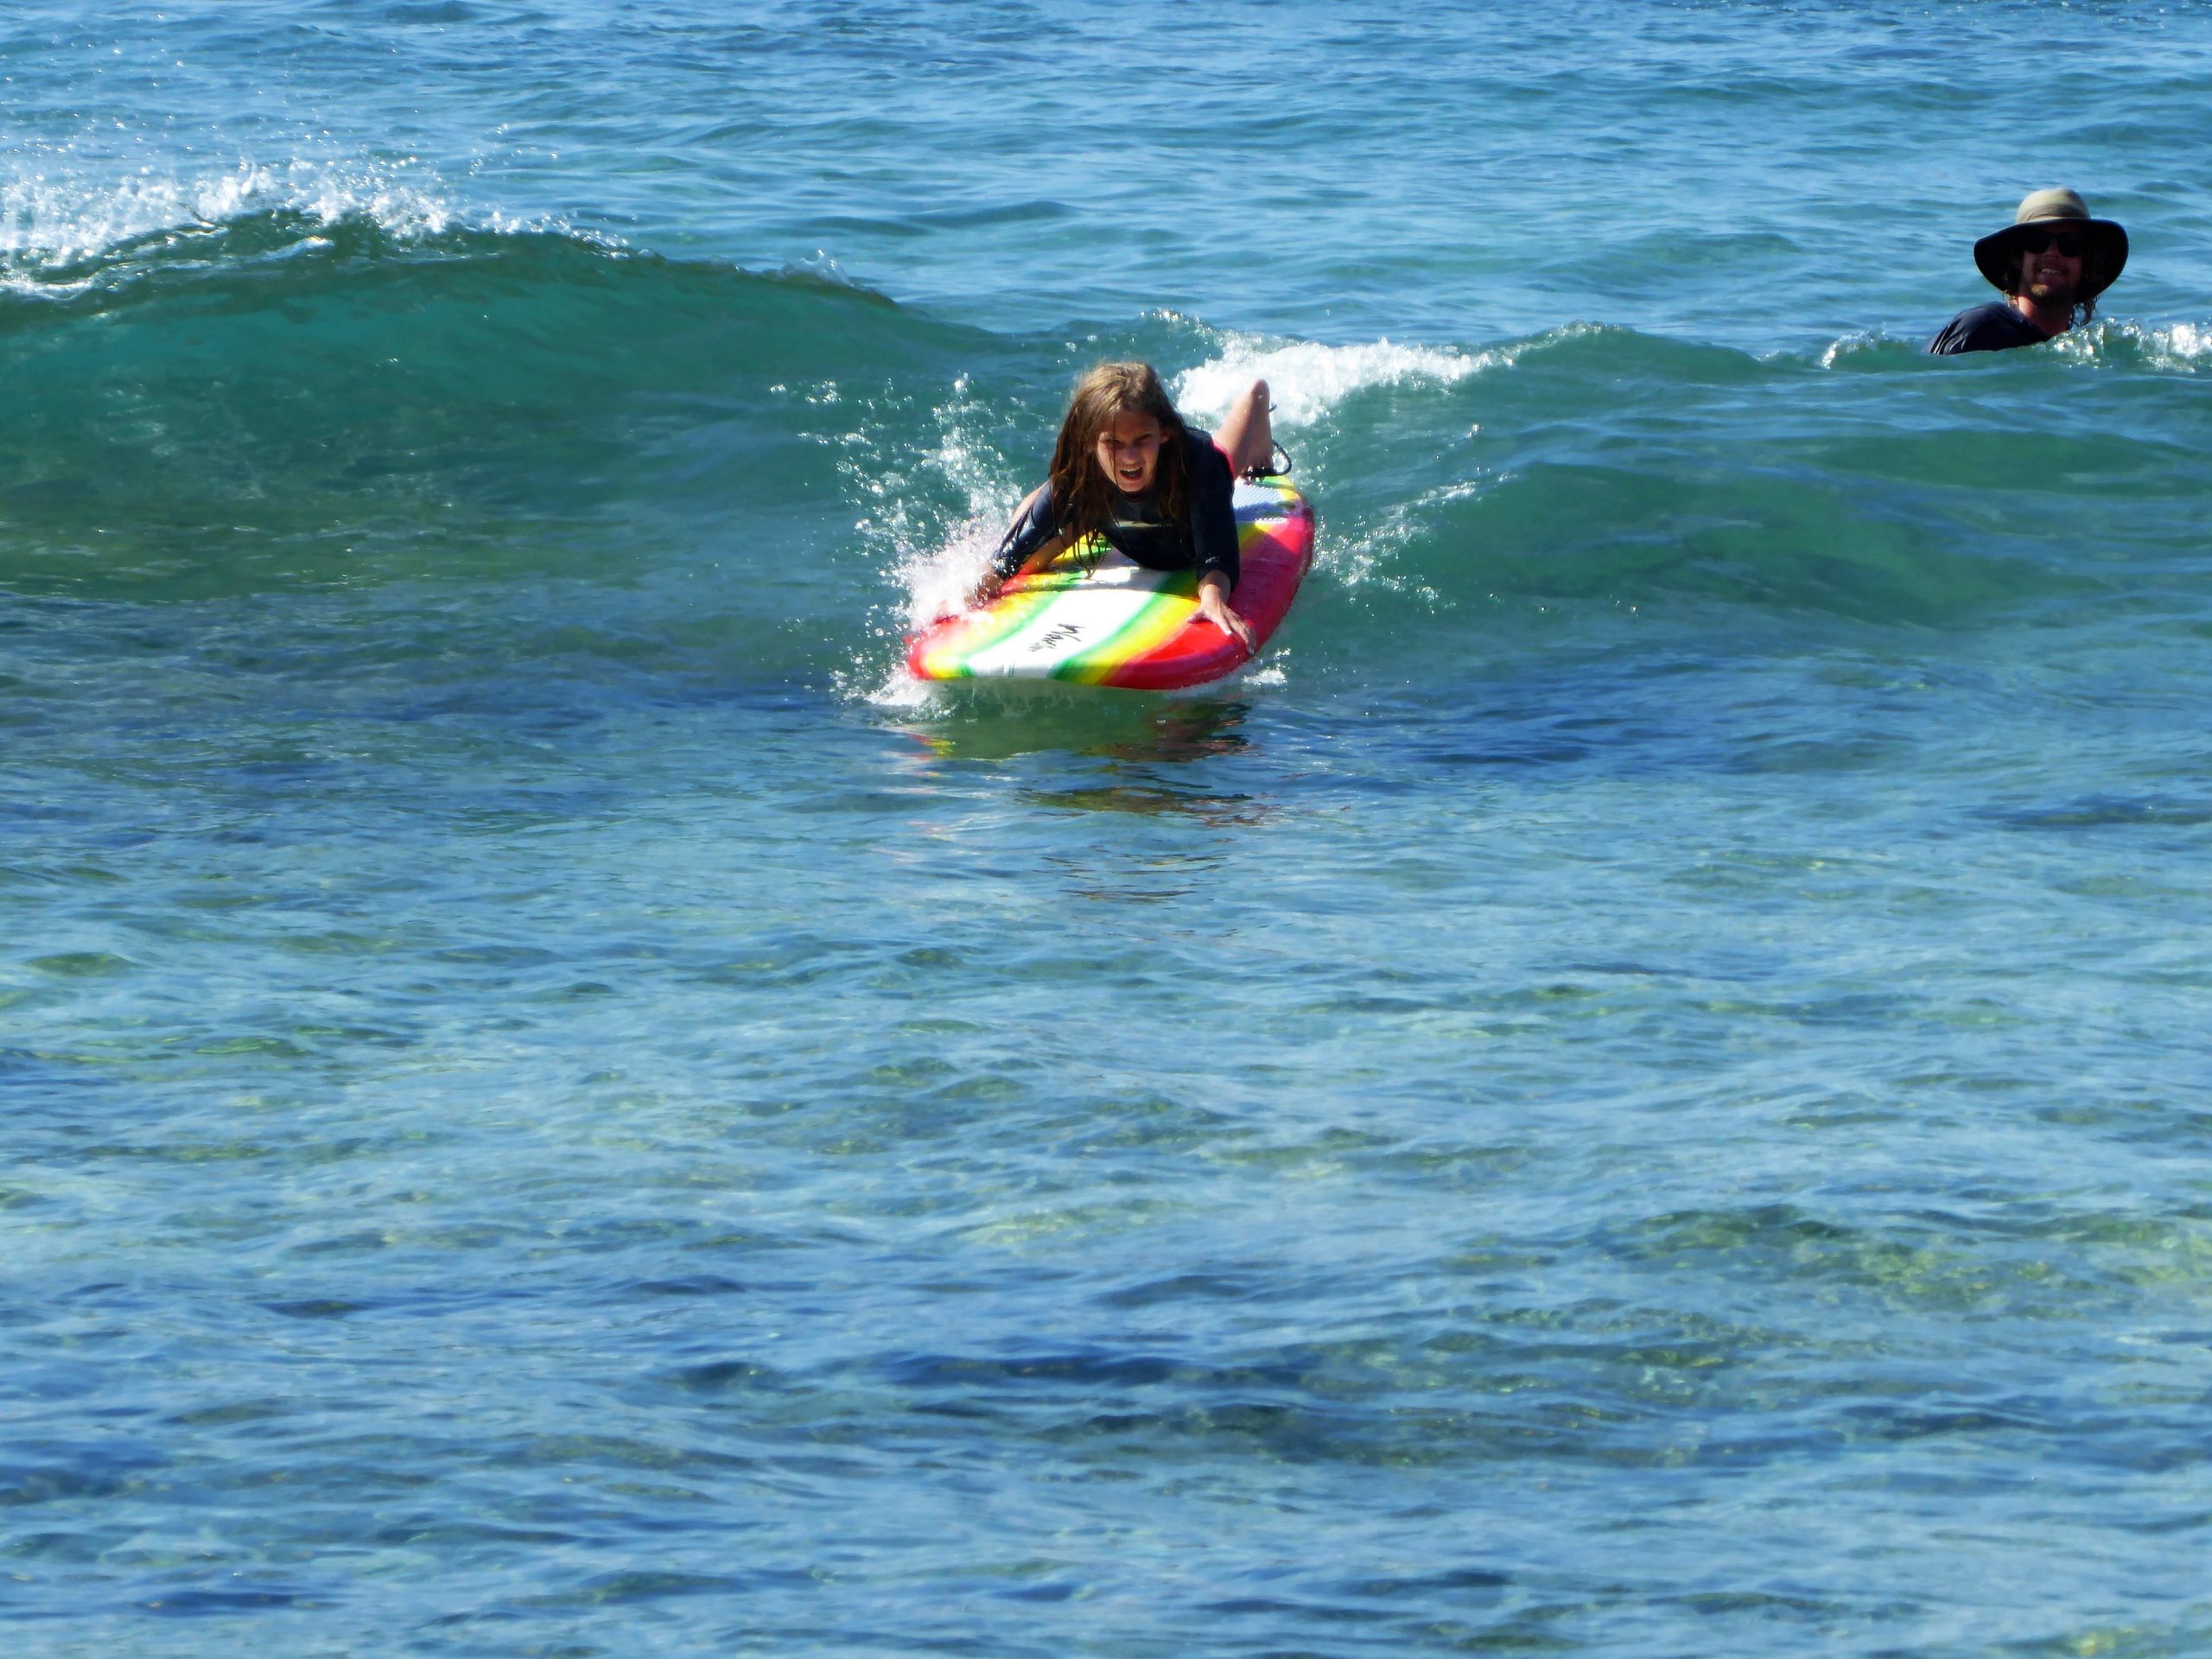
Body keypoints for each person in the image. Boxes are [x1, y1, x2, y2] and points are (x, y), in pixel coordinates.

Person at [979, 361, 1274, 648]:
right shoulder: (1078, 477)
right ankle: (1060, 511)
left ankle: (1255, 397)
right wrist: (976, 590)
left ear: (1164, 433)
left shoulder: (1197, 464)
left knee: (1227, 460)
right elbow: (1010, 556)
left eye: (1142, 439)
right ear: (1089, 441)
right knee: (1030, 556)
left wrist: (1213, 598)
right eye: (1114, 443)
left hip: (1186, 512)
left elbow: (1217, 555)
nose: (1129, 456)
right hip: (1106, 514)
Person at [1927, 188, 2128, 355]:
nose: (2052, 253)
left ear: (2086, 262)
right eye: (2037, 241)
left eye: (2069, 243)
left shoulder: (2079, 349)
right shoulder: (1980, 328)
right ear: (2018, 257)